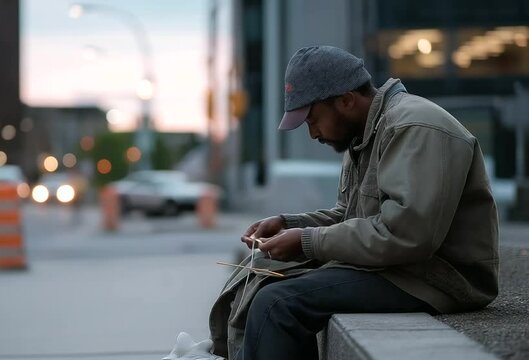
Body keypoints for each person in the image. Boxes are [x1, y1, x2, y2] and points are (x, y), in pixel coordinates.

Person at [208, 46, 499, 360]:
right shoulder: (362, 135)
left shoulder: (413, 127)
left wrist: (307, 242)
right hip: (400, 268)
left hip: (437, 278)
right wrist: (290, 224)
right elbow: (349, 216)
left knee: (278, 303)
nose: (312, 133)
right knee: (261, 284)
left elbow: (407, 234)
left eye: (312, 120)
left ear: (345, 101)